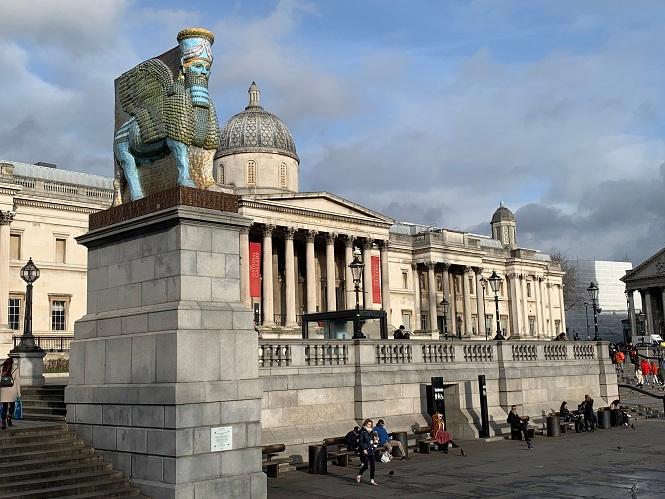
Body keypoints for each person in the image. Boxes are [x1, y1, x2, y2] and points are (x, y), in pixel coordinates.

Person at [356, 419, 378, 486]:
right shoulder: (362, 431)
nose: (369, 426)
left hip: (371, 450)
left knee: (373, 466)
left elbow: (376, 439)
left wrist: (375, 446)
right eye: (368, 424)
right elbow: (360, 441)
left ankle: (372, 480)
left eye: (370, 424)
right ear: (365, 424)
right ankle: (359, 475)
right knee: (366, 466)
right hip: (364, 450)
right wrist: (364, 449)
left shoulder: (373, 431)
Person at [0, 358, 20, 430]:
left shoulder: (2, 369)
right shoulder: (15, 370)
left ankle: (3, 423)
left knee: (4, 407)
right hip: (12, 391)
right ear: (12, 363)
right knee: (12, 406)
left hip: (3, 391)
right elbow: (17, 382)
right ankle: (9, 417)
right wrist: (19, 393)